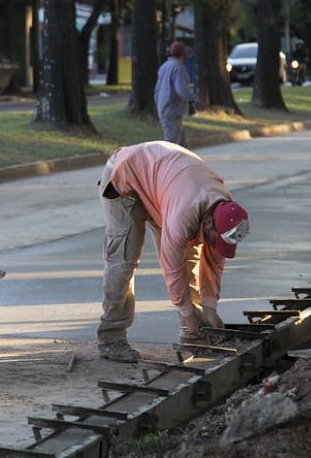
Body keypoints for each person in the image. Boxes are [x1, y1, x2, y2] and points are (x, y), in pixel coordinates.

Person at [96, 141, 249, 363]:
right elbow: (172, 268)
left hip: (162, 184)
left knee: (191, 259)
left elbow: (214, 264)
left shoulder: (227, 214)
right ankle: (111, 338)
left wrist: (209, 307)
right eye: (215, 239)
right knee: (124, 261)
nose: (216, 245)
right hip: (124, 178)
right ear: (208, 224)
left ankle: (193, 335)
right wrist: (187, 313)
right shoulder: (183, 215)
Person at [154, 41, 198, 147]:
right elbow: (182, 90)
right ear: (184, 54)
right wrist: (194, 98)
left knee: (182, 146)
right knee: (172, 147)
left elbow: (157, 90)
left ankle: (187, 163)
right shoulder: (178, 68)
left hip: (164, 109)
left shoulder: (164, 66)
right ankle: (166, 164)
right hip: (172, 110)